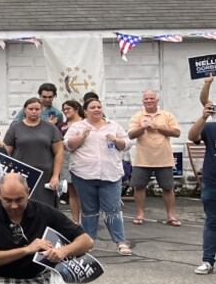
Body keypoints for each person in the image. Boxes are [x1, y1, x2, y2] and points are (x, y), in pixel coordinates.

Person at [65, 98, 132, 255]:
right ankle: (88, 242)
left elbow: (127, 144)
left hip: (111, 174)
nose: (96, 109)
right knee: (89, 210)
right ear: (85, 111)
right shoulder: (77, 126)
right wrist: (81, 137)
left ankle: (120, 242)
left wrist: (116, 140)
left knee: (113, 209)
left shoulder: (113, 125)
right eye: (92, 107)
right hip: (84, 174)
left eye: (99, 107)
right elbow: (67, 145)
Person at [127, 89, 181, 226]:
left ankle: (171, 216)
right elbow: (131, 135)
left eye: (152, 98)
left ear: (157, 100)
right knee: (138, 187)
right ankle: (140, 215)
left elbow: (176, 132)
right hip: (142, 159)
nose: (149, 101)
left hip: (163, 158)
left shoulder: (167, 115)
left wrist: (157, 127)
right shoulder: (137, 116)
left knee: (168, 188)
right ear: (143, 101)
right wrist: (143, 128)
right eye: (146, 99)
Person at [3, 97, 64, 207]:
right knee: (22, 205)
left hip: (45, 177)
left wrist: (55, 176)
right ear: (25, 110)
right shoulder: (15, 128)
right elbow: (6, 153)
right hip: (21, 176)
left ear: (41, 110)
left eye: (37, 109)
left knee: (44, 208)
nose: (34, 111)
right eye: (31, 109)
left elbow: (59, 153)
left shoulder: (51, 128)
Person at [188, 90, 216, 274]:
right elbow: (193, 136)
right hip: (212, 182)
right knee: (212, 221)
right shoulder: (211, 128)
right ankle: (207, 261)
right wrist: (203, 117)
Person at [60, 100, 84, 223]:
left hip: (82, 158)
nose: (66, 111)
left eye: (68, 108)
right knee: (72, 191)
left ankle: (87, 219)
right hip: (67, 159)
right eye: (64, 109)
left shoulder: (84, 123)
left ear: (76, 109)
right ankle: (75, 221)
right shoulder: (62, 125)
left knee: (84, 191)